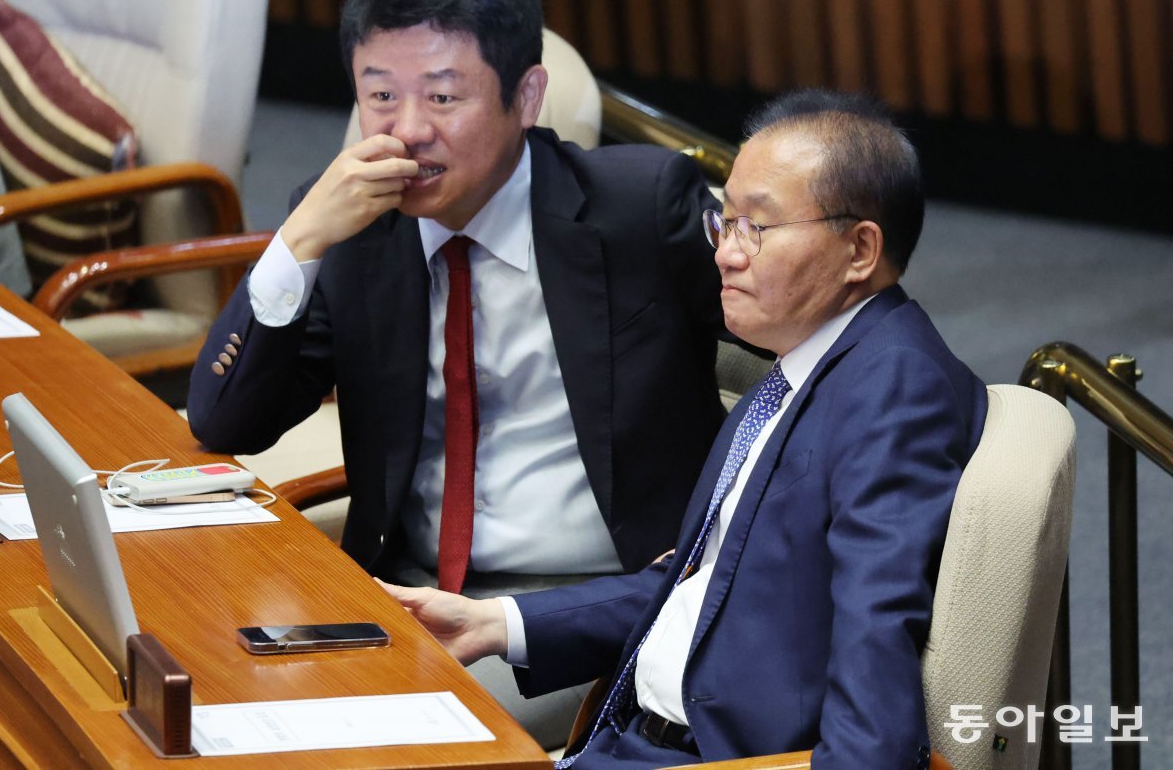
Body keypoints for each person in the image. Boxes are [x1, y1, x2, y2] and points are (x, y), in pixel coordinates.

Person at [186, 0, 737, 747]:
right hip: (404, 596)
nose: (407, 132)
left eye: (444, 98)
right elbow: (223, 421)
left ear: (527, 95)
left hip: (583, 612)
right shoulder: (354, 231)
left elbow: (794, 358)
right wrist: (299, 238)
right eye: (379, 96)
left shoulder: (639, 211)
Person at [381, 90, 989, 769]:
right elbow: (704, 583)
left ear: (860, 249)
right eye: (723, 223)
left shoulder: (895, 389)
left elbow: (876, 641)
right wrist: (494, 622)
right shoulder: (801, 372)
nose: (726, 255)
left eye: (755, 227)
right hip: (621, 741)